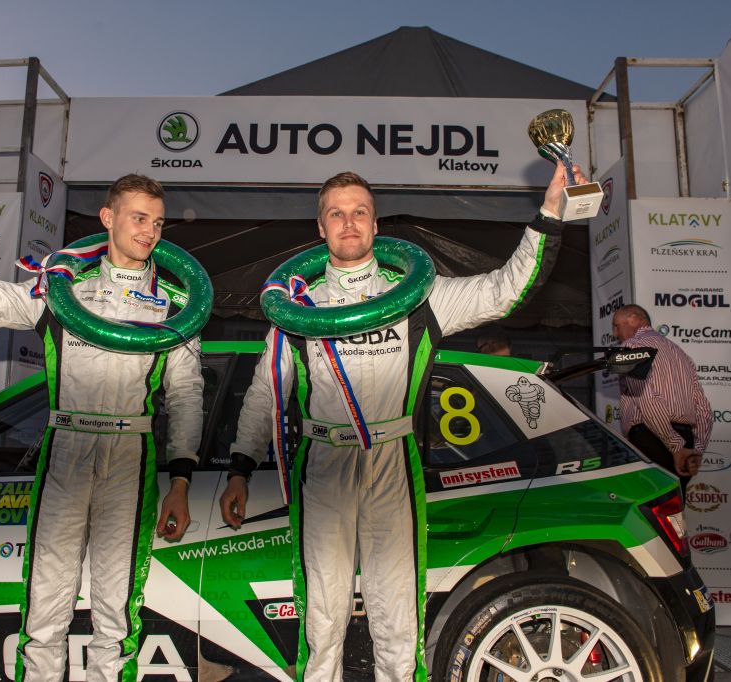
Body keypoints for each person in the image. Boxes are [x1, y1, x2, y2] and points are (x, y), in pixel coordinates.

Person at [219, 164, 578, 681]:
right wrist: (239, 469)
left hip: (392, 462)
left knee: (396, 623)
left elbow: (506, 288)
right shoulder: (297, 308)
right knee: (321, 623)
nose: (348, 223)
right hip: (323, 467)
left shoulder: (419, 295)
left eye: (359, 212)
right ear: (320, 227)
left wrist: (551, 211)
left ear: (375, 223)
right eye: (336, 214)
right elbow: (264, 394)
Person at [0, 173, 204, 682]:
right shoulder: (61, 289)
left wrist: (180, 480)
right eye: (139, 218)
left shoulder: (175, 307)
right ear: (108, 218)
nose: (149, 232)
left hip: (130, 455)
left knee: (117, 613)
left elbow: (184, 397)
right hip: (66, 448)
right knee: (45, 608)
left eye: (158, 223)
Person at [611, 303, 711, 493]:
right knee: (674, 504)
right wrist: (695, 450)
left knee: (649, 504)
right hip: (685, 438)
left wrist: (676, 446)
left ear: (633, 318)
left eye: (616, 326)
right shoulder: (680, 353)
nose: (615, 334)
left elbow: (645, 396)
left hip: (653, 437)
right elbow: (703, 408)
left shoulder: (631, 346)